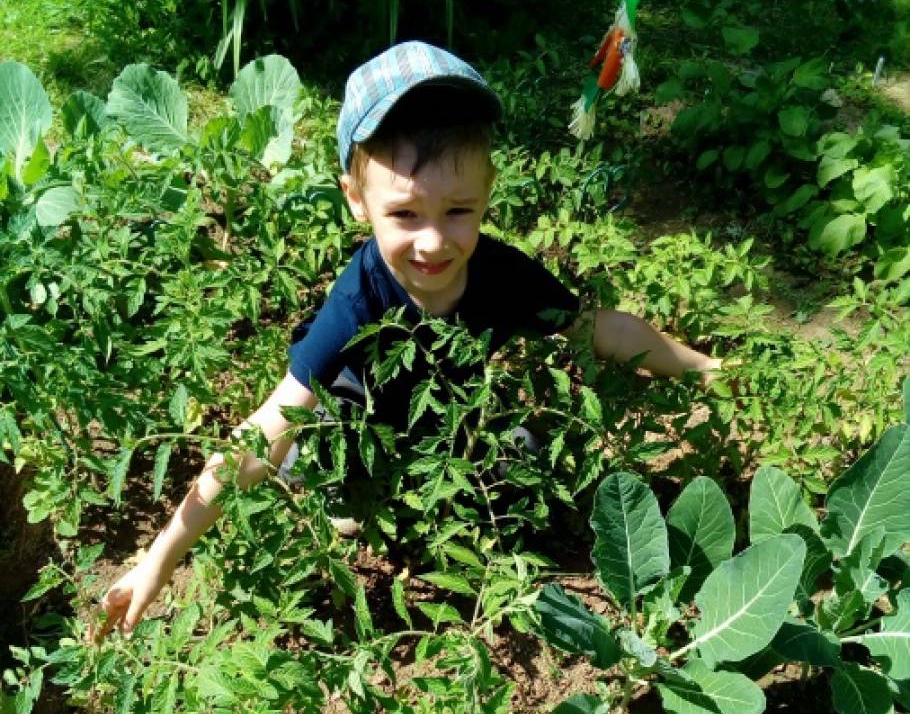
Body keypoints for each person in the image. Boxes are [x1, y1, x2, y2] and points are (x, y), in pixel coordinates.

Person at [97, 40, 720, 639]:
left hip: (451, 434)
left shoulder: (502, 274)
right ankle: (343, 489)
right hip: (359, 431)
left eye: (458, 211)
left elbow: (599, 328)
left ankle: (427, 491)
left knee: (521, 456)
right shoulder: (357, 300)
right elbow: (262, 429)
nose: (432, 242)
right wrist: (159, 560)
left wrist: (702, 368)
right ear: (356, 201)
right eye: (404, 215)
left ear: (487, 194)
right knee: (308, 462)